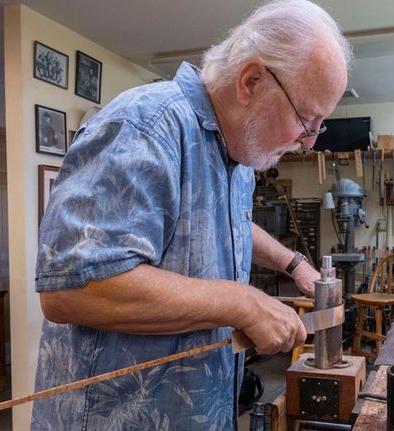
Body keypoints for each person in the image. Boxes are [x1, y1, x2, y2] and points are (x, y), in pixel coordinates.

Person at [31, 0, 352, 429]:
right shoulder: (144, 127)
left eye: (319, 125)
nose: (309, 142)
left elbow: (225, 224)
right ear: (251, 81)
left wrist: (293, 264)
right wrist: (242, 303)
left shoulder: (237, 156)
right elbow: (71, 289)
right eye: (305, 119)